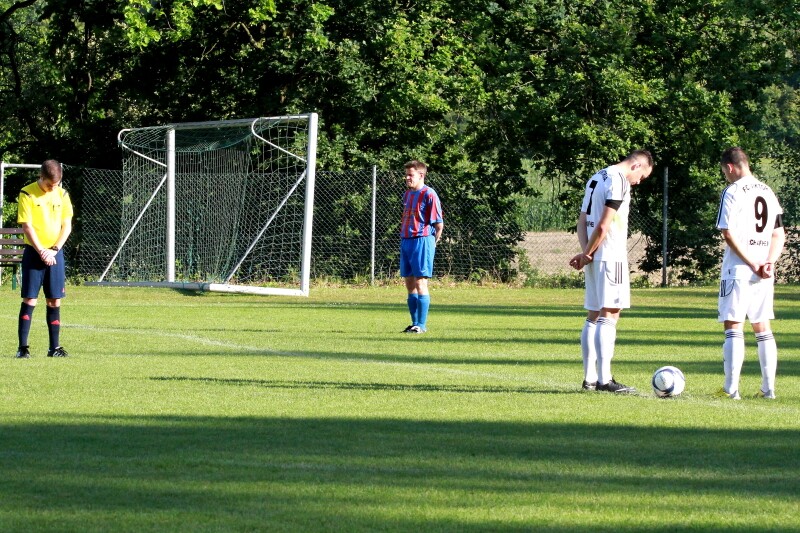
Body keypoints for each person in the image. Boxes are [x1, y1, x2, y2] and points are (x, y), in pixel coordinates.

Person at [569, 150, 653, 393]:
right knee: (610, 313)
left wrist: (587, 253)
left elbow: (582, 220)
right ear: (636, 166)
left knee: (593, 314)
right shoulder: (619, 180)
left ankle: (590, 379)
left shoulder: (597, 177)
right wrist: (588, 253)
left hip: (595, 256)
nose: (638, 182)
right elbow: (604, 224)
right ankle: (604, 380)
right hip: (610, 255)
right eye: (642, 177)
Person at [714, 147, 785, 400]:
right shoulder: (767, 191)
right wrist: (769, 262)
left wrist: (751, 262)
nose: (726, 175)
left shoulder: (732, 191)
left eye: (725, 171)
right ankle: (768, 389)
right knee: (762, 327)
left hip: (739, 269)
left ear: (730, 167)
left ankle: (731, 389)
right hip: (764, 271)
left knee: (733, 325)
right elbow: (778, 234)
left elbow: (727, 232)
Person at [14, 159, 74, 359]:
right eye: (49, 184)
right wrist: (41, 250)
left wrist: (54, 249)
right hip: (35, 253)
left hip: (55, 254)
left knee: (54, 300)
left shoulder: (62, 194)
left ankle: (54, 348)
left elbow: (67, 225)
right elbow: (27, 226)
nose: (52, 188)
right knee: (30, 299)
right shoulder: (27, 193)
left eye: (56, 184)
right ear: (41, 177)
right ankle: (23, 348)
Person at [400, 160, 443, 334]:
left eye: (410, 175)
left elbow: (439, 225)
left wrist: (431, 243)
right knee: (409, 283)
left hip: (422, 240)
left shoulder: (429, 194)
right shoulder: (407, 194)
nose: (407, 178)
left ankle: (421, 325)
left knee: (420, 282)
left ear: (421, 175)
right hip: (406, 240)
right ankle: (414, 323)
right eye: (406, 175)